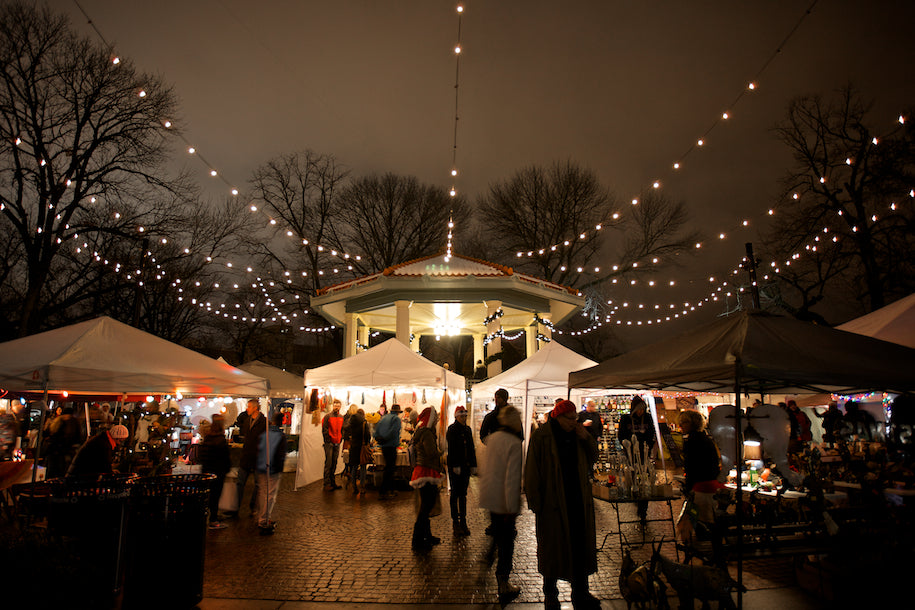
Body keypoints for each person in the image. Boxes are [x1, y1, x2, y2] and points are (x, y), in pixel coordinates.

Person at [524, 399, 600, 610]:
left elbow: (594, 457)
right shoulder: (542, 436)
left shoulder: (578, 435)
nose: (573, 422)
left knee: (579, 545)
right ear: (558, 417)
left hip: (577, 498)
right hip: (552, 501)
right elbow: (532, 469)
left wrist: (586, 438)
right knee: (552, 549)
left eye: (575, 418)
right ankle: (550, 593)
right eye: (570, 419)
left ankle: (581, 591)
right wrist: (536, 502)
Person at [479, 405, 523, 602]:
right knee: (506, 543)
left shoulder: (492, 439)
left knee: (498, 535)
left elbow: (485, 469)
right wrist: (511, 506)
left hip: (490, 497)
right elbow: (512, 478)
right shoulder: (513, 443)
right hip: (504, 501)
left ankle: (487, 559)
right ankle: (503, 582)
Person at [676, 409, 724, 564]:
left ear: (692, 423)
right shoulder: (705, 439)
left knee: (697, 520)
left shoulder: (693, 441)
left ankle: (708, 554)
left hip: (700, 488)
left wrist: (689, 486)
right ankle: (711, 553)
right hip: (708, 485)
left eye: (684, 422)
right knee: (704, 521)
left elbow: (692, 467)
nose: (681, 425)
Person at [409, 406, 444, 552]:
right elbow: (431, 452)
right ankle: (417, 540)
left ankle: (426, 536)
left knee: (426, 505)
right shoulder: (427, 433)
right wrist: (441, 454)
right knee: (426, 506)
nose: (436, 420)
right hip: (426, 470)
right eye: (435, 418)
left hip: (423, 469)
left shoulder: (421, 430)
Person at [618, 396, 655, 520]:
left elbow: (651, 433)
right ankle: (636, 497)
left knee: (644, 476)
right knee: (634, 475)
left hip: (644, 453)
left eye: (642, 409)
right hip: (631, 453)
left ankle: (643, 506)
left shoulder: (648, 418)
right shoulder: (625, 419)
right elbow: (621, 435)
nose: (641, 412)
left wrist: (648, 446)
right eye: (639, 409)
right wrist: (627, 445)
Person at [230, 399, 266, 518]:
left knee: (257, 484)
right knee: (240, 483)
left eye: (249, 406)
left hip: (257, 458)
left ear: (256, 408)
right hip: (246, 457)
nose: (247, 408)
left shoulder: (264, 422)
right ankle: (235, 508)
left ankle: (253, 507)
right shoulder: (246, 421)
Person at [446, 405, 477, 535]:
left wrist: (473, 465)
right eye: (462, 416)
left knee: (463, 495)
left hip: (465, 466)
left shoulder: (468, 430)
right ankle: (455, 522)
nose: (464, 418)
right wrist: (454, 465)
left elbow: (471, 448)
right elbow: (452, 449)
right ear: (457, 416)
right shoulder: (452, 430)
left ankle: (463, 521)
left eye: (465, 416)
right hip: (455, 467)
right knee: (455, 494)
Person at [255, 412, 287, 535]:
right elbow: (280, 455)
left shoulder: (264, 434)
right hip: (273, 468)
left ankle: (262, 517)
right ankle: (264, 519)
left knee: (263, 492)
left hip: (261, 466)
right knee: (270, 494)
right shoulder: (280, 436)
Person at [199, 414, 232, 530]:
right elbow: (225, 457)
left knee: (209, 496)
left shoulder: (208, 438)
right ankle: (213, 520)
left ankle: (210, 516)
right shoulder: (220, 440)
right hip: (218, 471)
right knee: (215, 496)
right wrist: (227, 468)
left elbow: (202, 456)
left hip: (208, 471)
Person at [374, 403, 403, 499]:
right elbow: (394, 431)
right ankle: (384, 491)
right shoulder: (396, 419)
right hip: (391, 445)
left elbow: (376, 430)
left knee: (388, 468)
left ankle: (388, 490)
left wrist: (379, 439)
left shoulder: (384, 418)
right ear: (398, 412)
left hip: (383, 446)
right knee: (390, 469)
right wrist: (386, 438)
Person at [45, 405, 83, 478]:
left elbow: (48, 433)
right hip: (65, 451)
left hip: (55, 450)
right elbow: (78, 436)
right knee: (62, 470)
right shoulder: (74, 422)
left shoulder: (57, 421)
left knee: (52, 470)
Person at [322, 399, 344, 491]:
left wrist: (340, 439)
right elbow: (325, 429)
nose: (336, 407)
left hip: (337, 442)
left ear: (340, 407)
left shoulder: (341, 417)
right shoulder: (327, 417)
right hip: (329, 443)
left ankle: (332, 482)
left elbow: (342, 429)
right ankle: (327, 483)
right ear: (333, 406)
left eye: (338, 406)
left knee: (334, 463)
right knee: (329, 463)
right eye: (335, 405)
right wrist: (328, 440)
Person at [348, 408, 371, 496]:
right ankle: (362, 486)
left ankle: (354, 486)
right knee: (363, 467)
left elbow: (347, 432)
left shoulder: (351, 422)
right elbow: (367, 435)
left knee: (354, 467)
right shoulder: (364, 423)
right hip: (361, 447)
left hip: (353, 447)